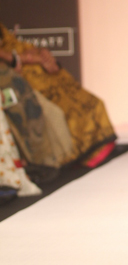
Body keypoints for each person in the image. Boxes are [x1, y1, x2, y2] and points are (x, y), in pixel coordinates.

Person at [0, 22, 116, 165]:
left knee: (89, 102)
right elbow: (10, 57)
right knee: (56, 113)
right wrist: (24, 58)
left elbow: (13, 44)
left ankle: (84, 154)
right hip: (13, 75)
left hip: (26, 66)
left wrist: (40, 52)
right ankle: (65, 158)